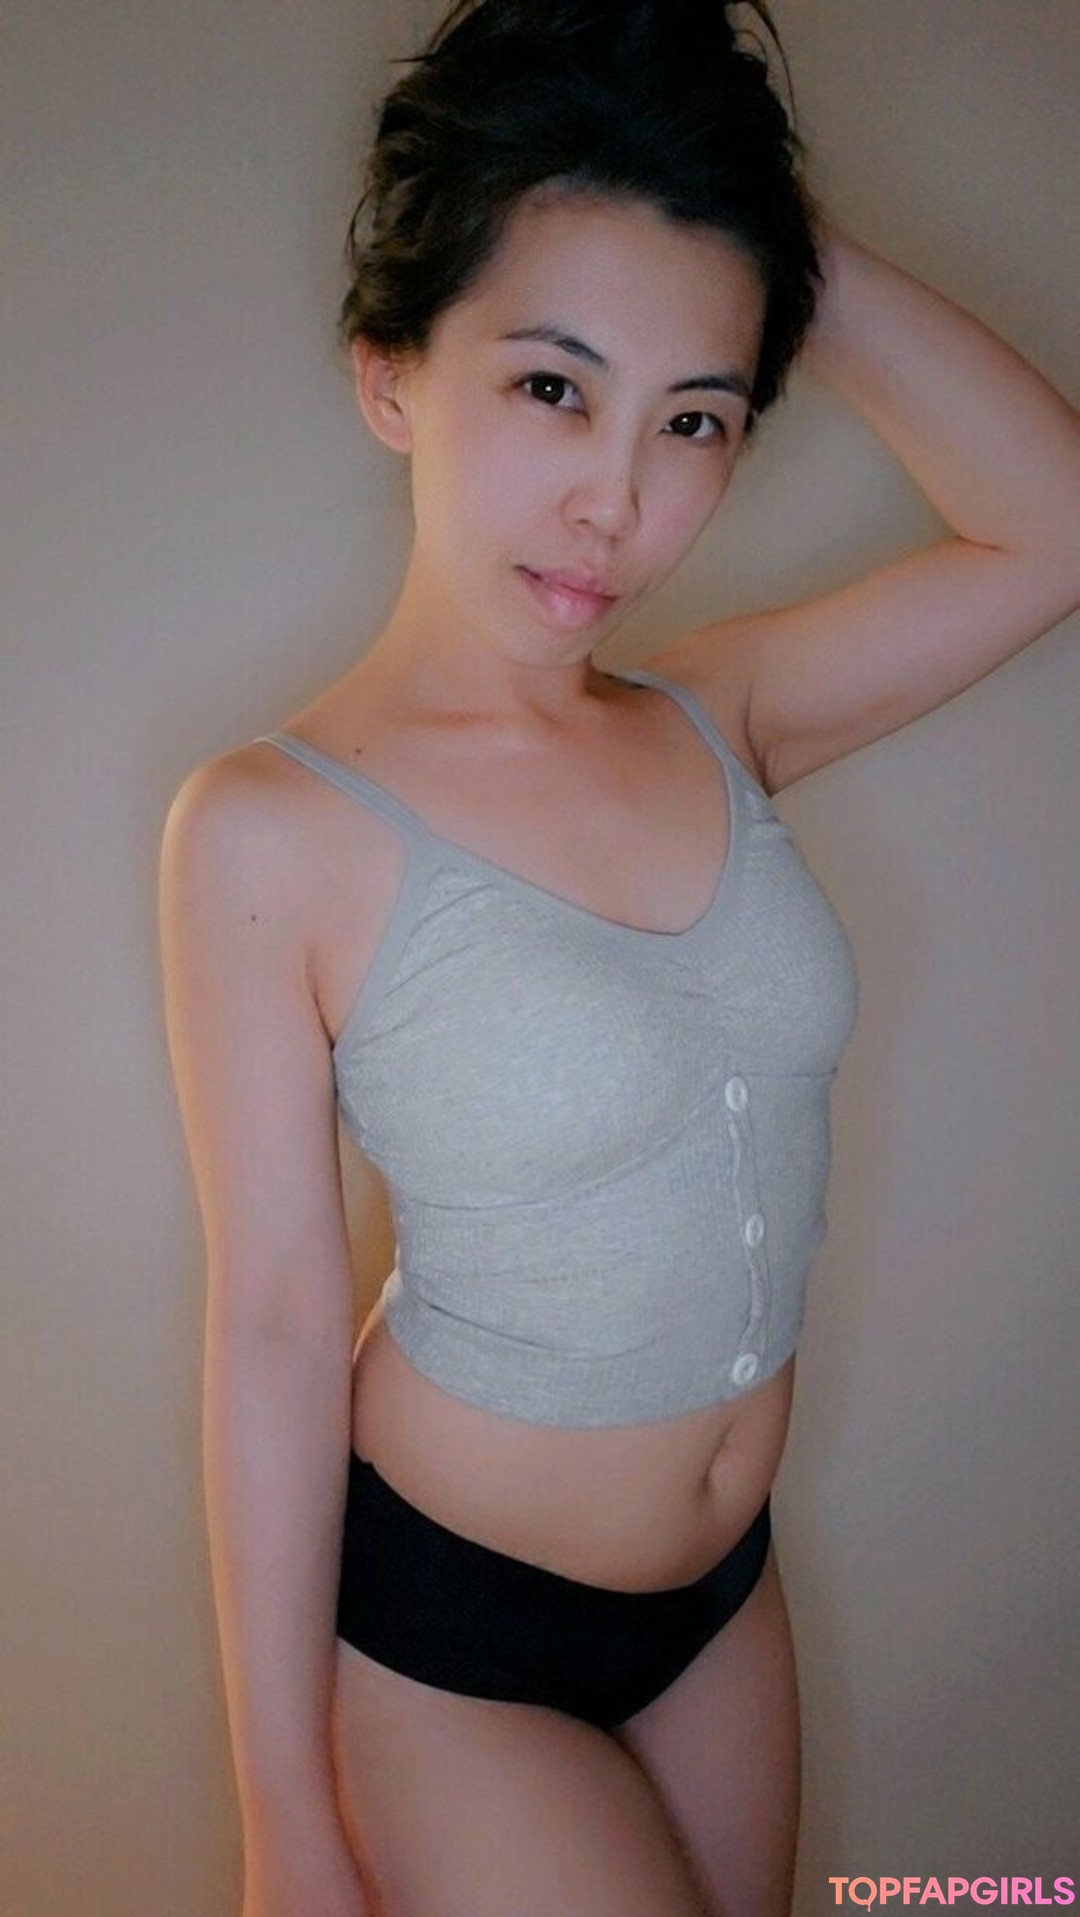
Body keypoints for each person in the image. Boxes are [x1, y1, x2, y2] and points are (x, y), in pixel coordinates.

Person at [158, 2, 1079, 1913]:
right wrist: (284, 1814)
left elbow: (1054, 527)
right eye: (553, 388)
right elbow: (272, 1324)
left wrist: (771, 228)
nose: (620, 499)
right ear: (392, 374)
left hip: (722, 1607)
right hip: (454, 1644)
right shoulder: (267, 827)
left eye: (696, 419)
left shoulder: (717, 713)